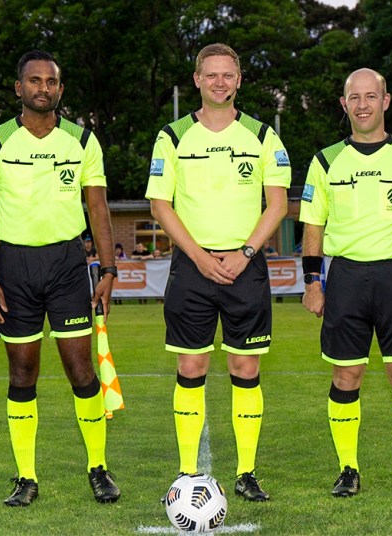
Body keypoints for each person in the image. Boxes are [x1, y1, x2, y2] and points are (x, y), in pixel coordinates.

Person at [0, 49, 120, 506]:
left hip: (68, 265)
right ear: (19, 88)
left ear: (60, 89)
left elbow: (98, 209)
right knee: (22, 372)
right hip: (14, 268)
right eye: (34, 81)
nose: (43, 88)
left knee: (81, 369)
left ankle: (98, 468)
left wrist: (108, 269)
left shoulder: (83, 140)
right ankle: (26, 477)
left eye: (51, 82)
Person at [146, 43, 291, 502]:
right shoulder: (172, 137)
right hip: (193, 267)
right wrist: (199, 256)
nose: (219, 82)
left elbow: (278, 204)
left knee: (245, 366)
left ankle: (246, 473)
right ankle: (188, 473)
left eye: (228, 75)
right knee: (191, 365)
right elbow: (159, 205)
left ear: (239, 80)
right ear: (197, 80)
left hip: (245, 267)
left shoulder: (263, 136)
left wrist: (245, 252)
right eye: (211, 75)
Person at [299, 68, 392, 498]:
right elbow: (312, 225)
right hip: (345, 276)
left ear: (386, 101)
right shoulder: (326, 160)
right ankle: (348, 469)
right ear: (344, 104)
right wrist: (312, 281)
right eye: (354, 98)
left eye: (371, 96)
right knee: (347, 375)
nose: (363, 105)